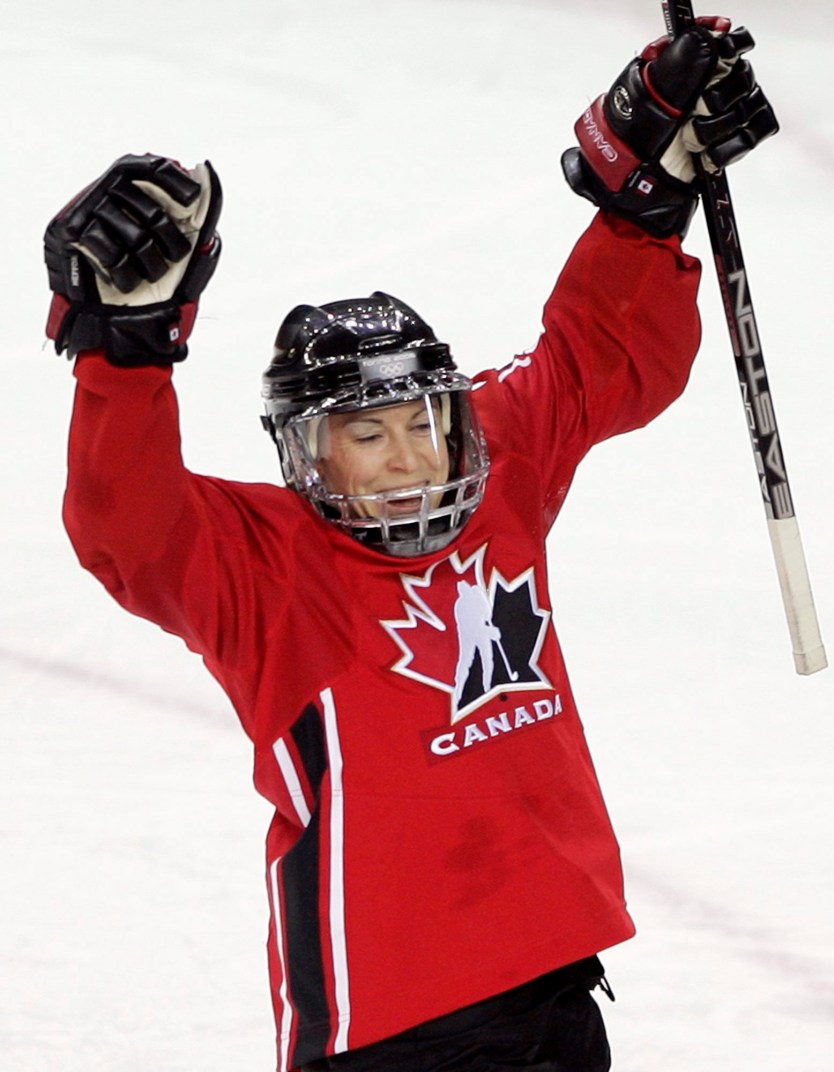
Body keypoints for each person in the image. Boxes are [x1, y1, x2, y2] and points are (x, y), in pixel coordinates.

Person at [44, 17, 777, 1072]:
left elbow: (597, 361)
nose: (406, 458)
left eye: (421, 422)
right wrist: (124, 356)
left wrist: (645, 193)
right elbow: (126, 526)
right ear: (308, 453)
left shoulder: (496, 476)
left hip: (559, 990)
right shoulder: (261, 565)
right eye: (366, 434)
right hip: (395, 1026)